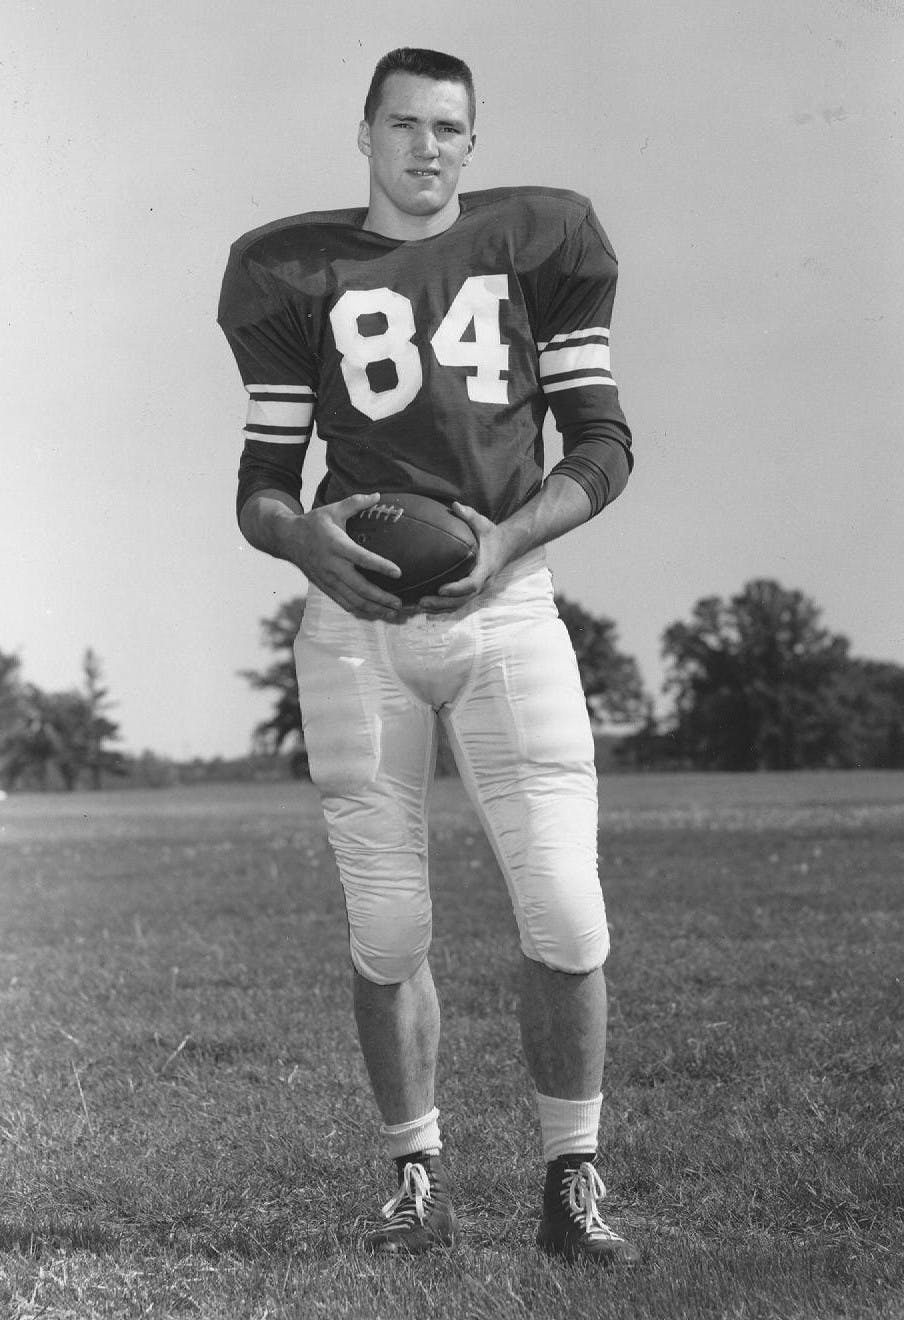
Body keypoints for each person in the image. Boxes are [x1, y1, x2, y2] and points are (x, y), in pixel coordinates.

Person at [218, 47, 639, 1266]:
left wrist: (504, 539)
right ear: (364, 136)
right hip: (354, 627)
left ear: (471, 141)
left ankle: (573, 1180)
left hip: (506, 608)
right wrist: (307, 542)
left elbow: (602, 445)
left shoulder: (543, 243)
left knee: (565, 909)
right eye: (402, 126)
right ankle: (414, 1175)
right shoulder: (286, 270)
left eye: (449, 129)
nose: (426, 148)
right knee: (389, 926)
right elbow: (259, 487)